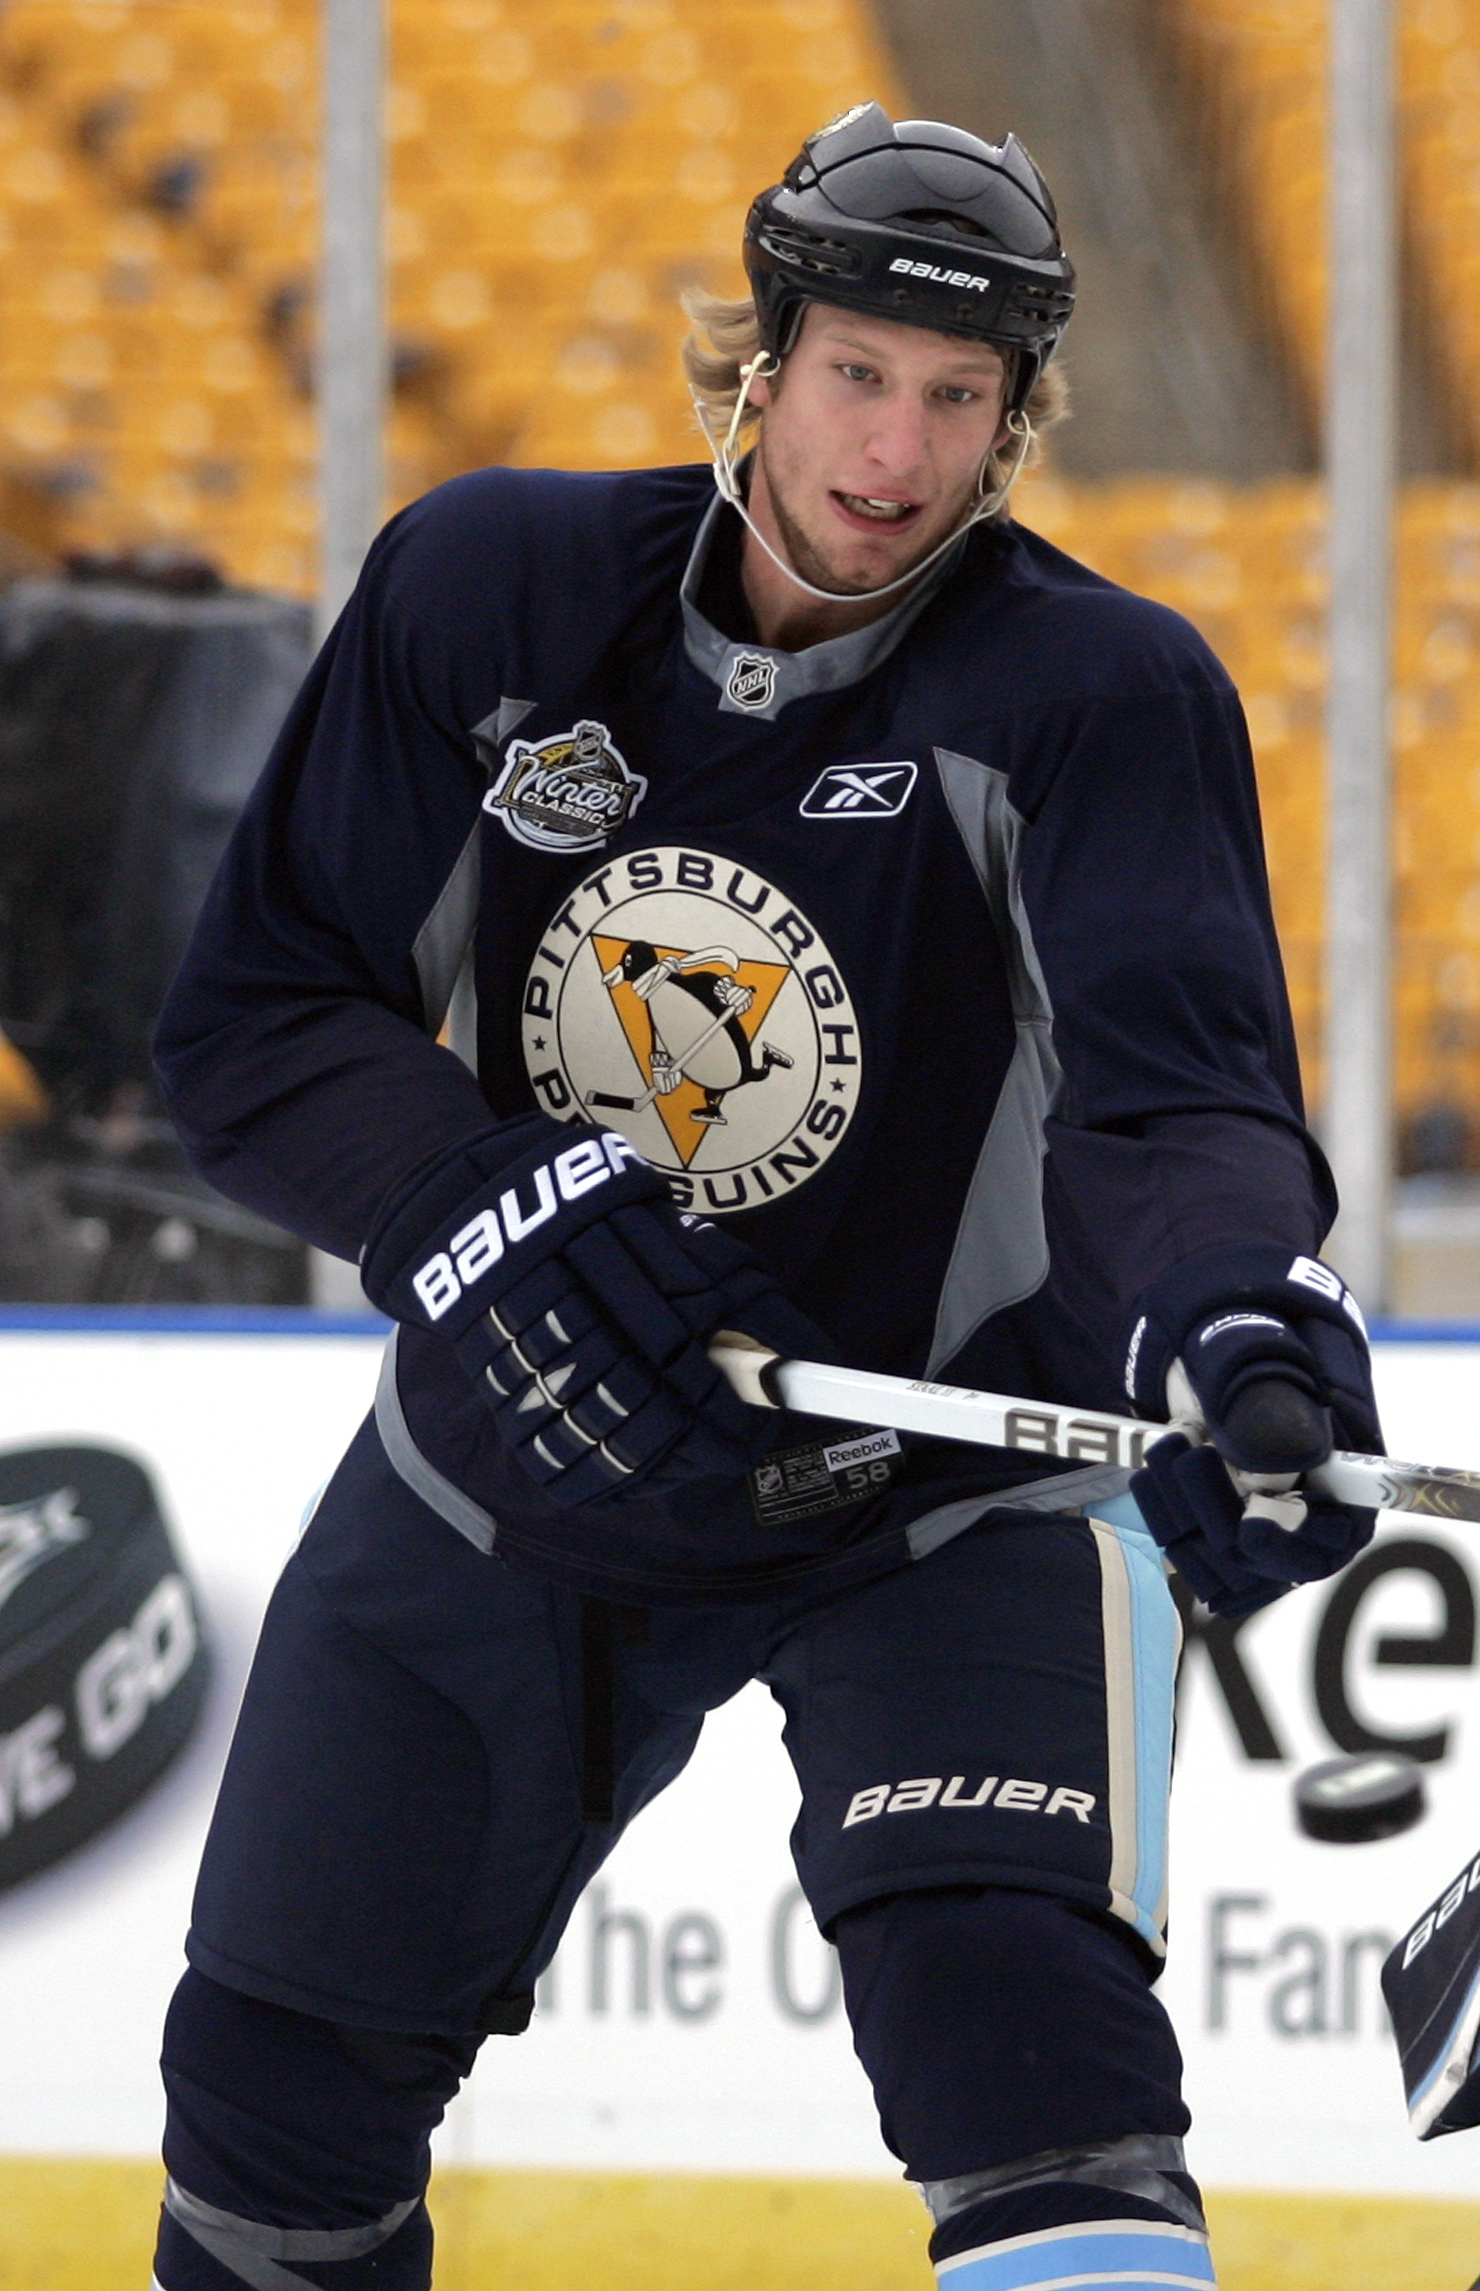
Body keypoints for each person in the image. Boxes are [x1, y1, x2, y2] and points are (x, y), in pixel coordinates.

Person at [145, 103, 1378, 2291]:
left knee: (1034, 2063)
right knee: (270, 2109)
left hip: (938, 1493)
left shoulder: (1094, 692)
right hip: (508, 1468)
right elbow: (255, 1024)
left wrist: (1235, 1316)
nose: (892, 450)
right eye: (855, 373)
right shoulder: (496, 590)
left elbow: (1175, 1105)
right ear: (759, 361)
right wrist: (478, 1201)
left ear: (1015, 424)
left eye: (955, 397)